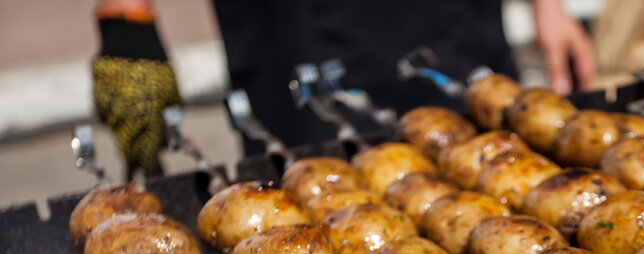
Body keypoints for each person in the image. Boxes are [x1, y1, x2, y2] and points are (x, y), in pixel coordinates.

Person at [92, 0, 595, 173]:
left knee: (484, 154)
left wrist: (548, 6)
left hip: (447, 18)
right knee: (310, 170)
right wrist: (127, 19)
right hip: (296, 26)